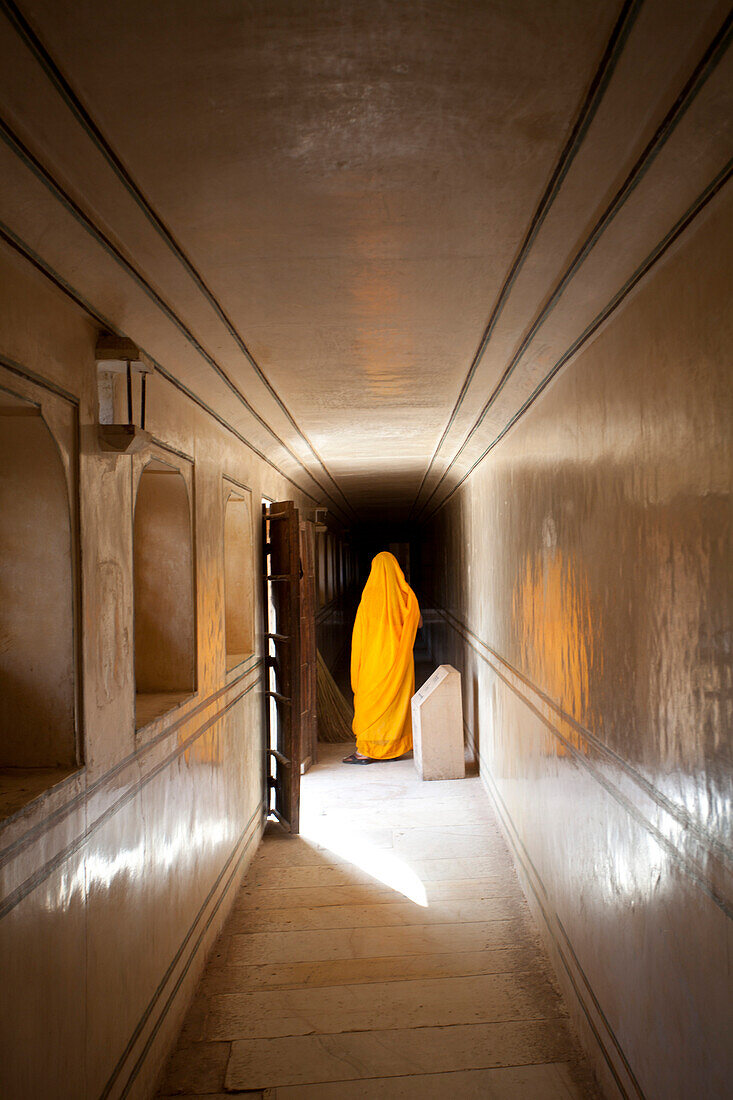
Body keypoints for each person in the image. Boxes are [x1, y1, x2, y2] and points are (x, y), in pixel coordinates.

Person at [343, 551, 422, 764]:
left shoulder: (369, 597)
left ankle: (366, 751)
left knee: (369, 704)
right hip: (399, 661)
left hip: (373, 663)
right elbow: (418, 623)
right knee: (396, 704)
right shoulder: (407, 596)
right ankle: (393, 749)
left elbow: (359, 635)